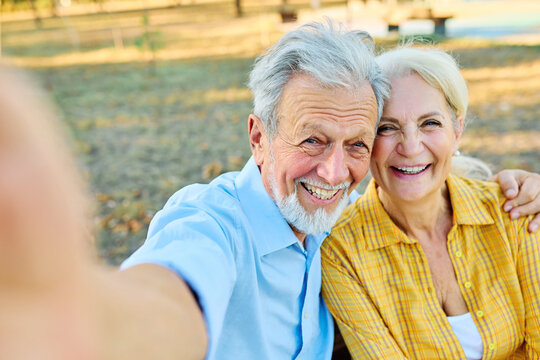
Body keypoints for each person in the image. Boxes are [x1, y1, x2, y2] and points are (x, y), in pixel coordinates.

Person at [1, 22, 539, 360]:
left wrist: (517, 183)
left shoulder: (336, 223)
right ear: (259, 137)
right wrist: (77, 325)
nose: (333, 173)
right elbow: (170, 297)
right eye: (311, 139)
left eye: (355, 144)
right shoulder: (216, 224)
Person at [321, 46, 540, 359]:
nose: (410, 147)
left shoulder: (514, 210)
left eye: (430, 123)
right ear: (364, 140)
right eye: (387, 127)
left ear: (457, 130)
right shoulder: (342, 252)